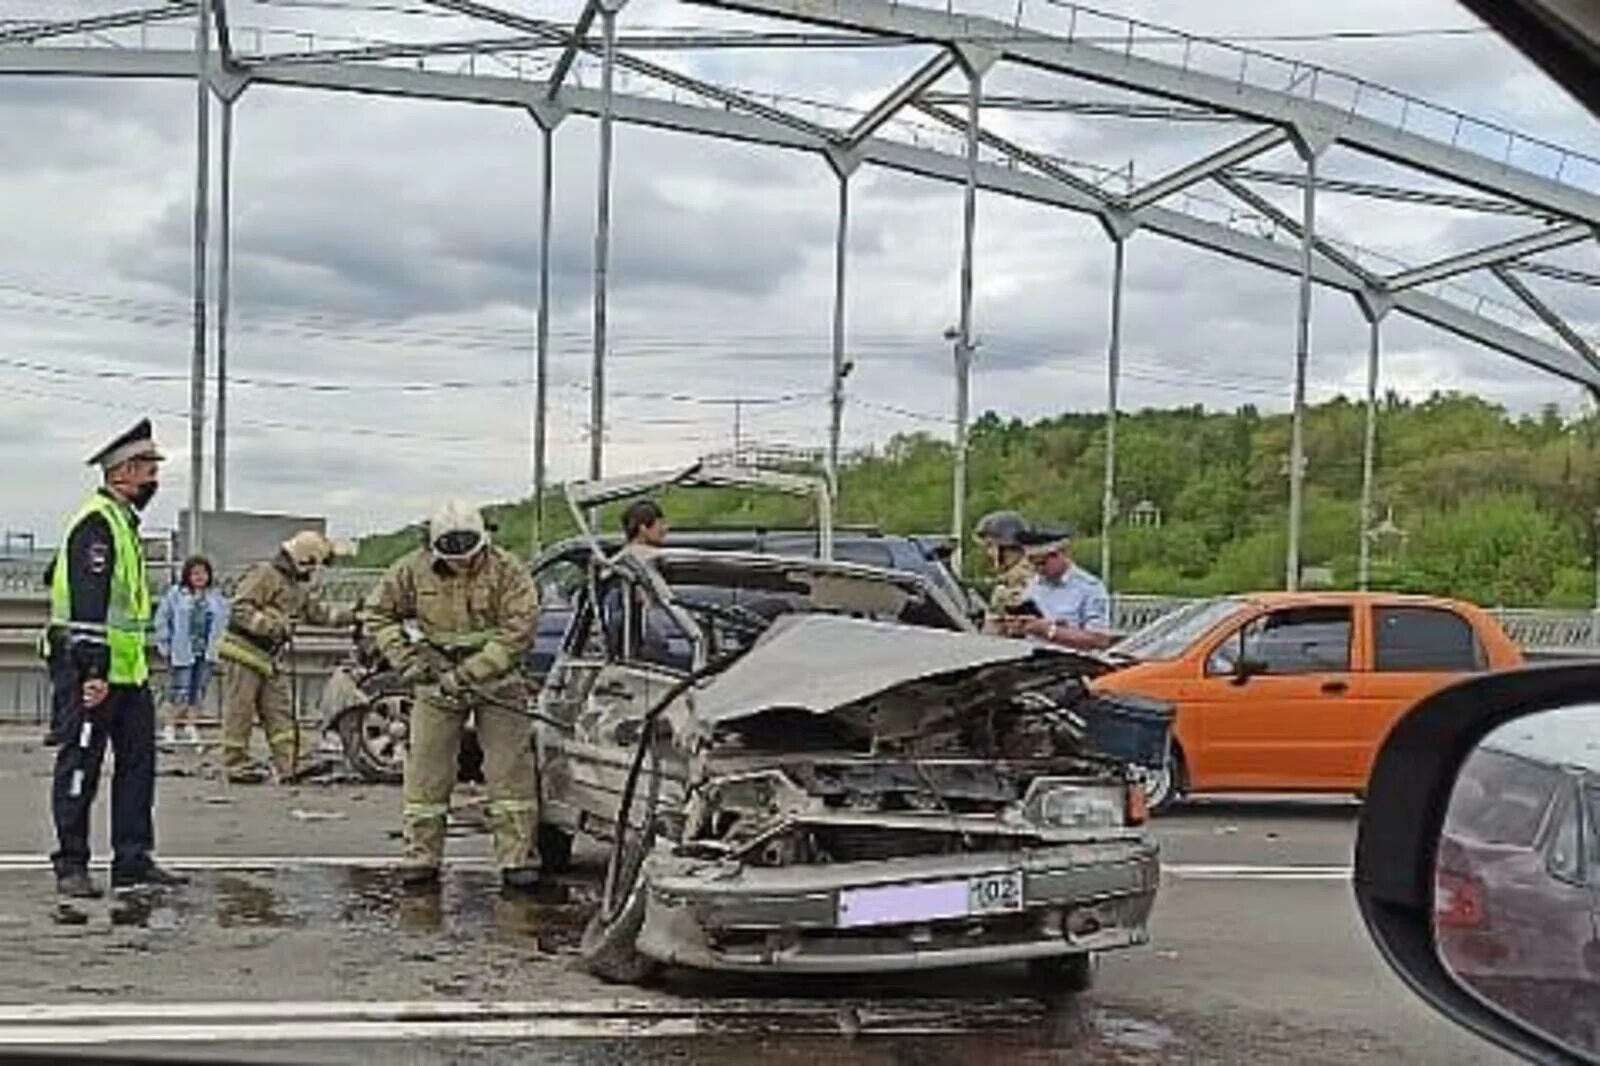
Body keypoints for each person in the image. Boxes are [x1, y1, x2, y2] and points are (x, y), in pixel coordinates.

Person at [361, 501, 541, 893]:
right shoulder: (412, 569)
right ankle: (421, 856)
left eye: (470, 552)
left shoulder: (509, 571)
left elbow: (519, 630)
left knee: (509, 771)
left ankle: (517, 859)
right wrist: (406, 660)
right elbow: (377, 614)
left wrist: (471, 672)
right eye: (452, 554)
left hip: (498, 683)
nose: (462, 562)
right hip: (434, 684)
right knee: (426, 772)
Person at [45, 418, 188, 898]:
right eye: (149, 468)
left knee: (137, 768)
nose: (154, 479)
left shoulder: (123, 523)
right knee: (81, 766)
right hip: (94, 671)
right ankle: (71, 863)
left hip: (129, 673)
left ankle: (132, 859)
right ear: (124, 471)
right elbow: (87, 606)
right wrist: (92, 672)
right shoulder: (97, 525)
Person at [217, 531, 351, 783]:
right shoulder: (265, 574)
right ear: (304, 559)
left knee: (279, 711)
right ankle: (235, 765)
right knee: (240, 711)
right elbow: (240, 608)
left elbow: (317, 613)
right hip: (243, 653)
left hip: (268, 658)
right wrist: (271, 625)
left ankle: (289, 763)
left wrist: (352, 615)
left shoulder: (294, 585)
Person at [153, 555, 228, 748]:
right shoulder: (176, 594)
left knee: (198, 690)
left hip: (206, 651)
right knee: (179, 689)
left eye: (203, 573)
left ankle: (191, 725)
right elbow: (162, 619)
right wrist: (165, 645)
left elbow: (224, 622)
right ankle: (170, 726)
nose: (199, 577)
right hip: (181, 650)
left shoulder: (215, 597)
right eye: (195, 573)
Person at [1005, 525, 1114, 651]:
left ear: (1063, 554)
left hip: (1071, 662)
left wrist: (1050, 631)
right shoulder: (1033, 584)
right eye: (1033, 564)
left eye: (1042, 563)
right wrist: (1017, 627)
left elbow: (1100, 640)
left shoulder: (1090, 588)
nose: (1039, 569)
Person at [973, 510, 1032, 633]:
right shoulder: (1012, 578)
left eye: (990, 545)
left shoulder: (1020, 581)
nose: (988, 553)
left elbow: (992, 633)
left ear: (1007, 546)